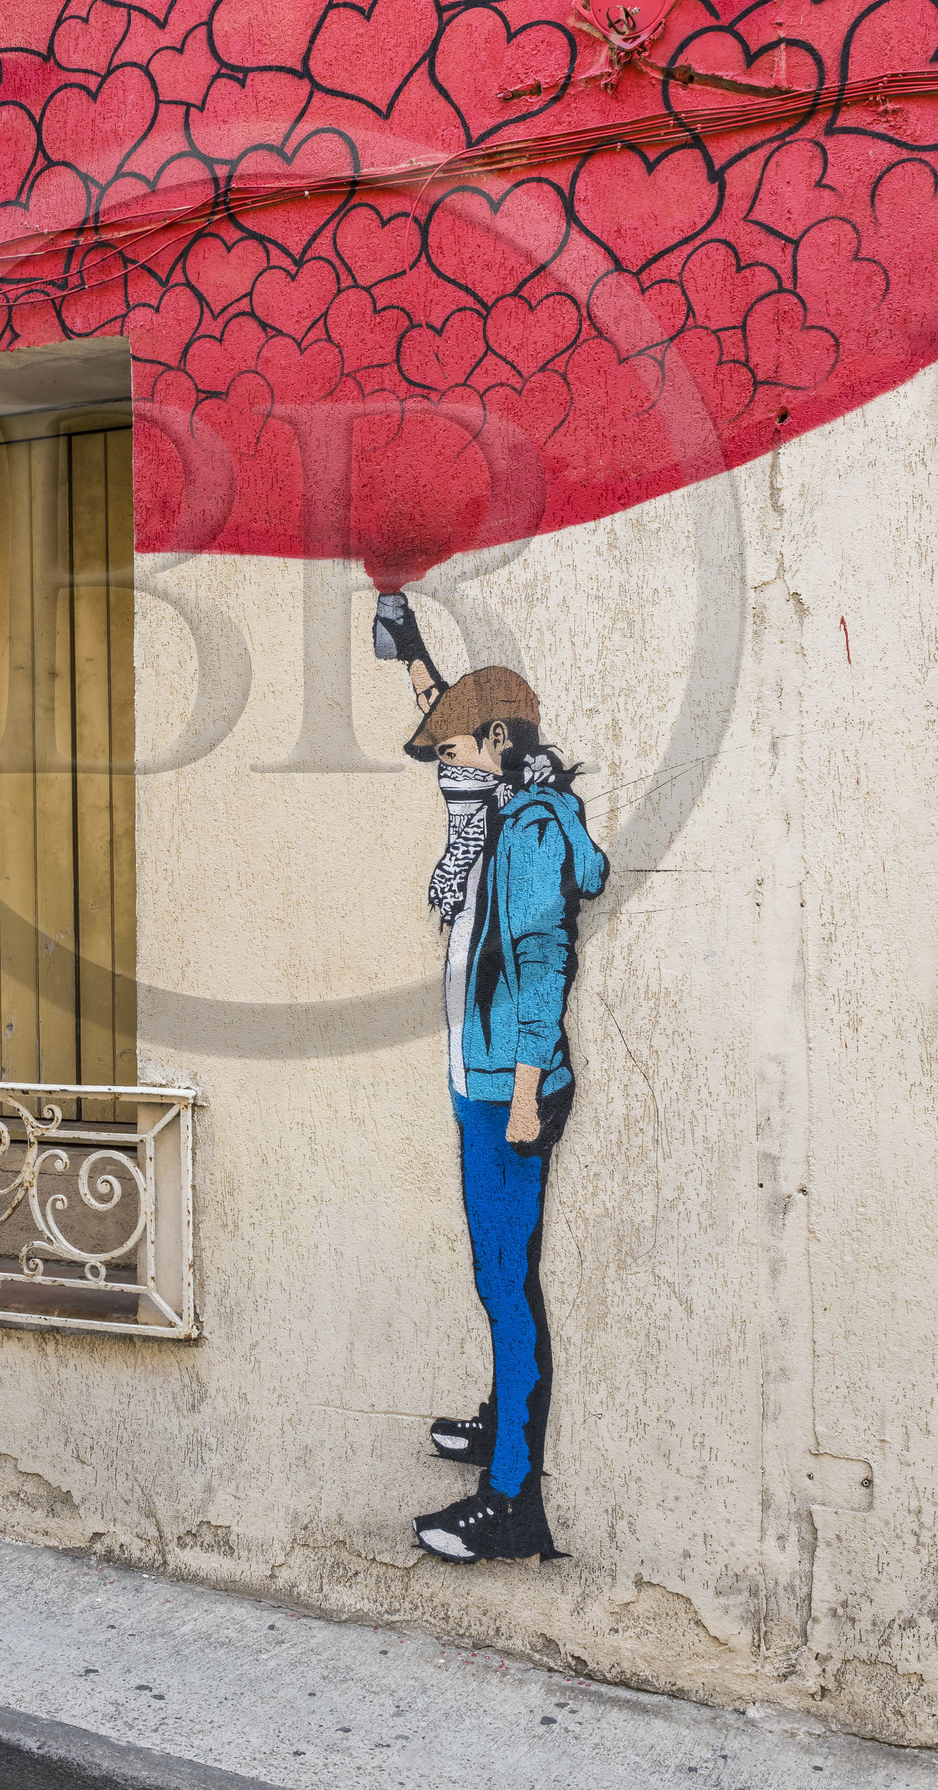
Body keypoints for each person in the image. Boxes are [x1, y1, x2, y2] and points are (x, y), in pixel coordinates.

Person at [373, 592, 608, 1564]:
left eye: (459, 750)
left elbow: (542, 963)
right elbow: (450, 719)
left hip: (506, 1087)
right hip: (480, 1075)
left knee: (504, 1283)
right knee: (496, 1278)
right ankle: (501, 1418)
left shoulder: (531, 832)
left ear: (500, 744)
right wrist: (410, 648)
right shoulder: (501, 806)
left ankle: (510, 1496)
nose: (445, 762)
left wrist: (516, 1096)